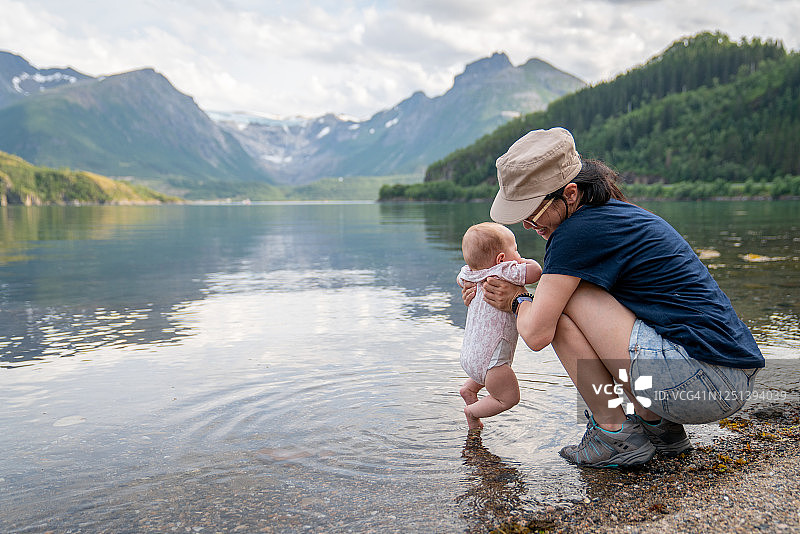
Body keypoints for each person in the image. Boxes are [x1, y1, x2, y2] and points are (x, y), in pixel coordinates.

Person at [462, 127, 764, 468]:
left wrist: (516, 300)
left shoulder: (575, 234)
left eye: (532, 213)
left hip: (702, 383)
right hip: (724, 378)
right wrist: (495, 291)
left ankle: (614, 433)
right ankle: (658, 428)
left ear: (570, 193)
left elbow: (536, 334)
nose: (528, 226)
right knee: (556, 297)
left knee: (558, 309)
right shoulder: (611, 215)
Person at [457, 222, 542, 431]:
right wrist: (523, 261)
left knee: (486, 378)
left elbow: (460, 279)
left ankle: (469, 390)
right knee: (508, 398)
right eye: (516, 250)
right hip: (492, 362)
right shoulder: (505, 271)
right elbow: (536, 272)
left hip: (471, 356)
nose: (518, 255)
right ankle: (472, 412)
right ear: (501, 258)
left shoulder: (469, 273)